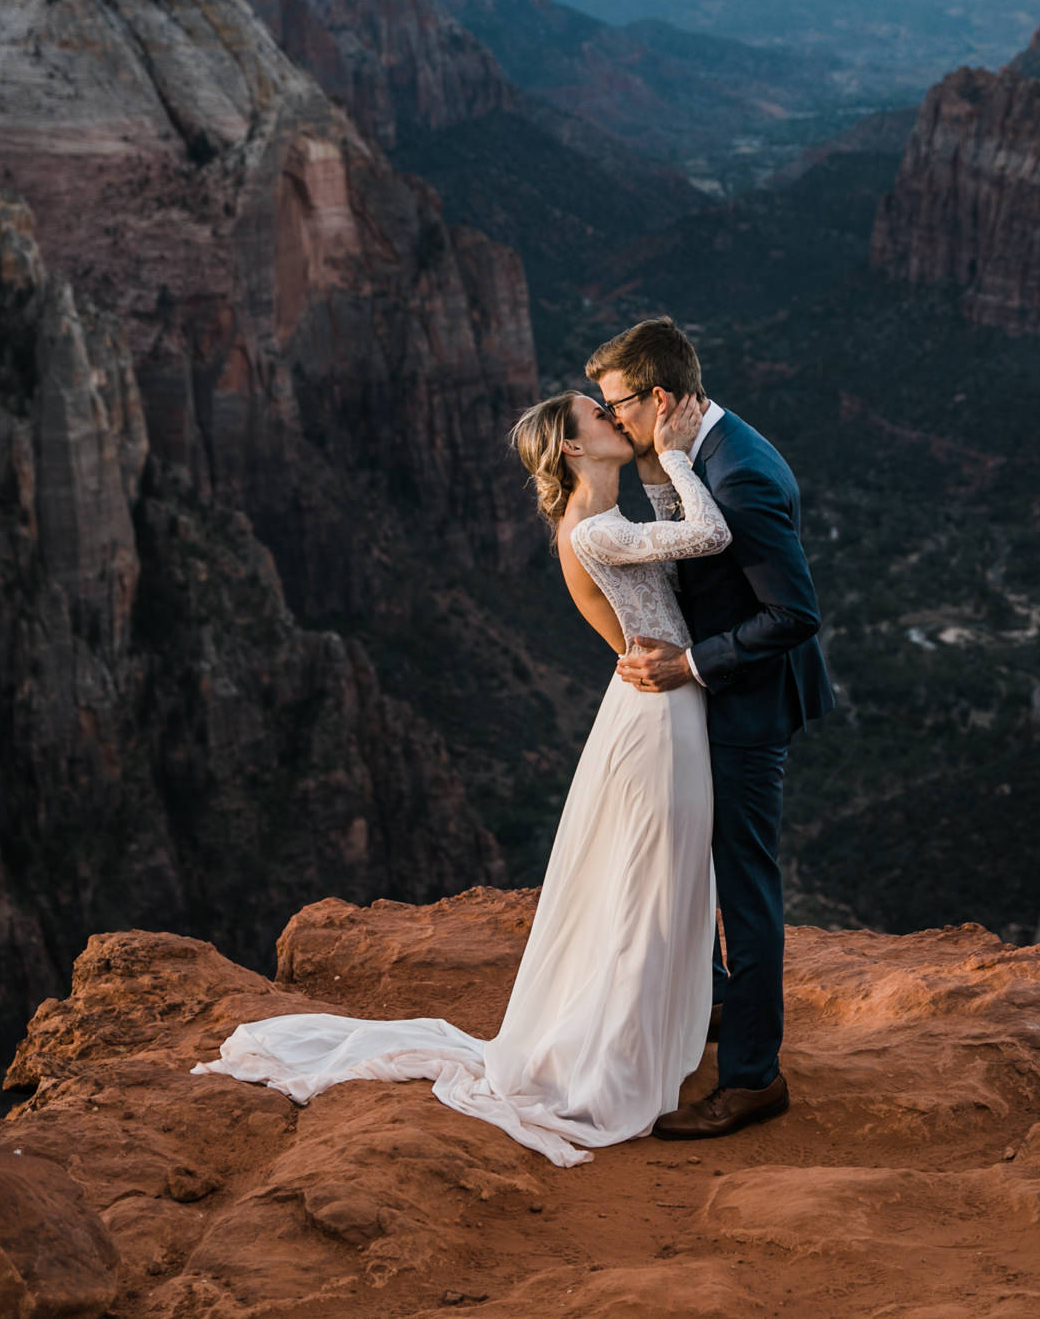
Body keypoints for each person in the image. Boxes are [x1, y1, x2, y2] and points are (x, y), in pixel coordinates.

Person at [193, 389, 728, 1166]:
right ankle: (619, 1056)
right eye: (599, 415)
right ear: (573, 449)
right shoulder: (597, 531)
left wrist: (654, 463)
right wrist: (675, 448)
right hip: (656, 719)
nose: (617, 418)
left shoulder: (602, 520)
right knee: (650, 878)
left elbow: (671, 550)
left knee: (659, 875)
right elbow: (707, 532)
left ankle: (644, 1033)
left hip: (661, 705)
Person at [601, 318, 835, 1139]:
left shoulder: (740, 478)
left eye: (618, 405)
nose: (611, 421)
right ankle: (718, 1004)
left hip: (745, 705)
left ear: (659, 398)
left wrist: (690, 665)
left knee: (745, 884)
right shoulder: (706, 449)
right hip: (721, 696)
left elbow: (794, 614)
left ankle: (753, 1076)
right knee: (700, 861)